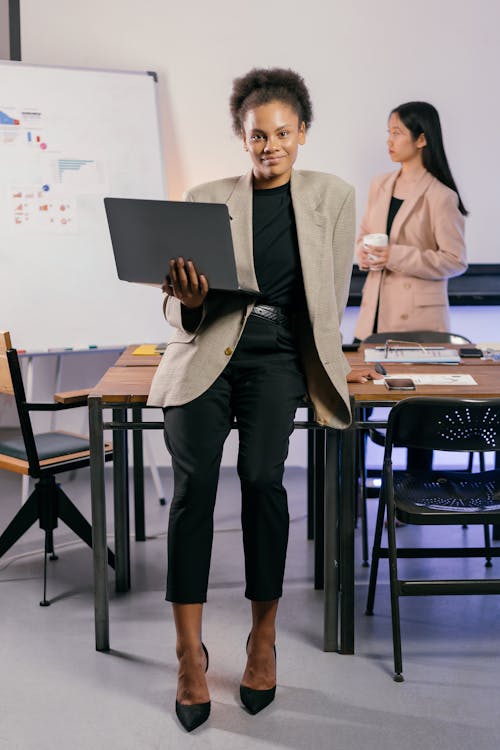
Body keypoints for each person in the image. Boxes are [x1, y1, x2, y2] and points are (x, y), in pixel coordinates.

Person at [147, 67, 376, 732]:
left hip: (277, 358)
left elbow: (328, 300)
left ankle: (262, 638)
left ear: (302, 133)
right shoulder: (206, 194)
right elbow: (174, 303)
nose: (269, 144)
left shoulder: (332, 196)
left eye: (282, 132)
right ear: (241, 139)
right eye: (257, 135)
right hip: (207, 351)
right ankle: (190, 656)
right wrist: (189, 301)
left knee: (261, 483)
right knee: (192, 492)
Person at [354, 101, 468, 470]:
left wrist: (396, 255)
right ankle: (356, 500)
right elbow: (364, 235)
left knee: (419, 413)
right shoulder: (380, 184)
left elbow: (455, 259)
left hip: (419, 322)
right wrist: (365, 255)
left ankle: (414, 498)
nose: (389, 140)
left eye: (397, 132)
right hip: (374, 315)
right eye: (388, 131)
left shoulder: (441, 195)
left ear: (421, 139)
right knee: (359, 405)